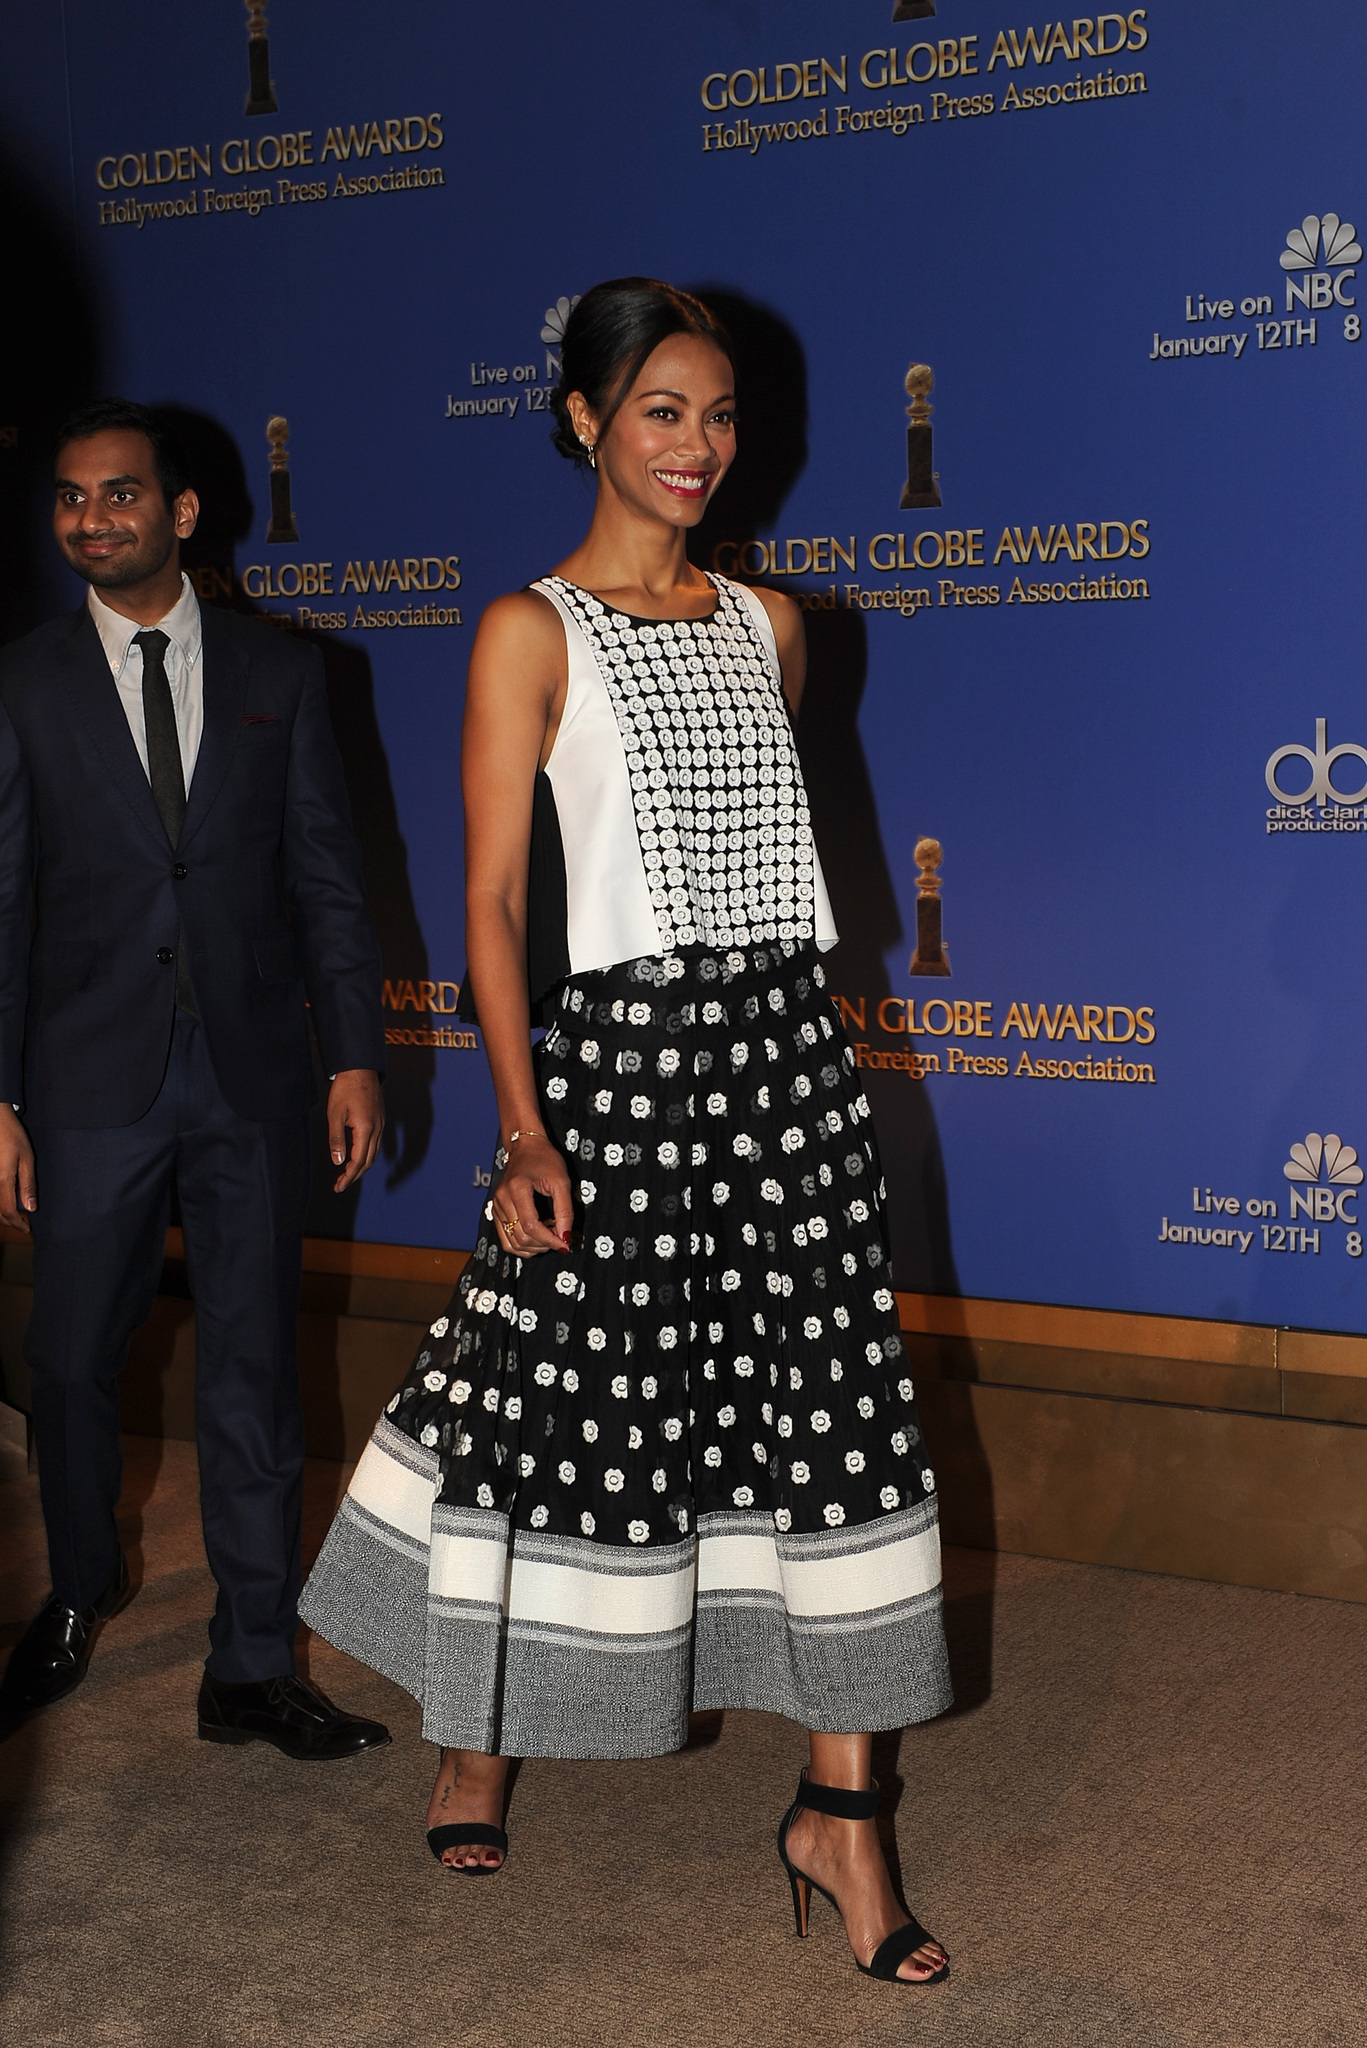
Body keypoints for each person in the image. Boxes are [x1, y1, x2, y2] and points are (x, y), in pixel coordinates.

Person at [301, 281, 953, 1978]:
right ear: (586, 419)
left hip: (785, 1064)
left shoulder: (774, 626)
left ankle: (846, 1826)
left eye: (722, 415)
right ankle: (476, 1728)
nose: (699, 446)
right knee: (547, 1395)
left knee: (834, 1413)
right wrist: (523, 1127)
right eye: (662, 409)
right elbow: (500, 905)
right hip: (618, 1069)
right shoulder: (530, 629)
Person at [0, 398, 391, 1762]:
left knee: (252, 1372)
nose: (89, 519)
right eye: (68, 498)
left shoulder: (286, 670)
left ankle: (252, 1660)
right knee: (65, 1361)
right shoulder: (22, 681)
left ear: (182, 513)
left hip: (251, 1078)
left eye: (118, 495)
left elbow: (330, 884)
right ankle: (76, 1583)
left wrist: (352, 1051)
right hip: (84, 1078)